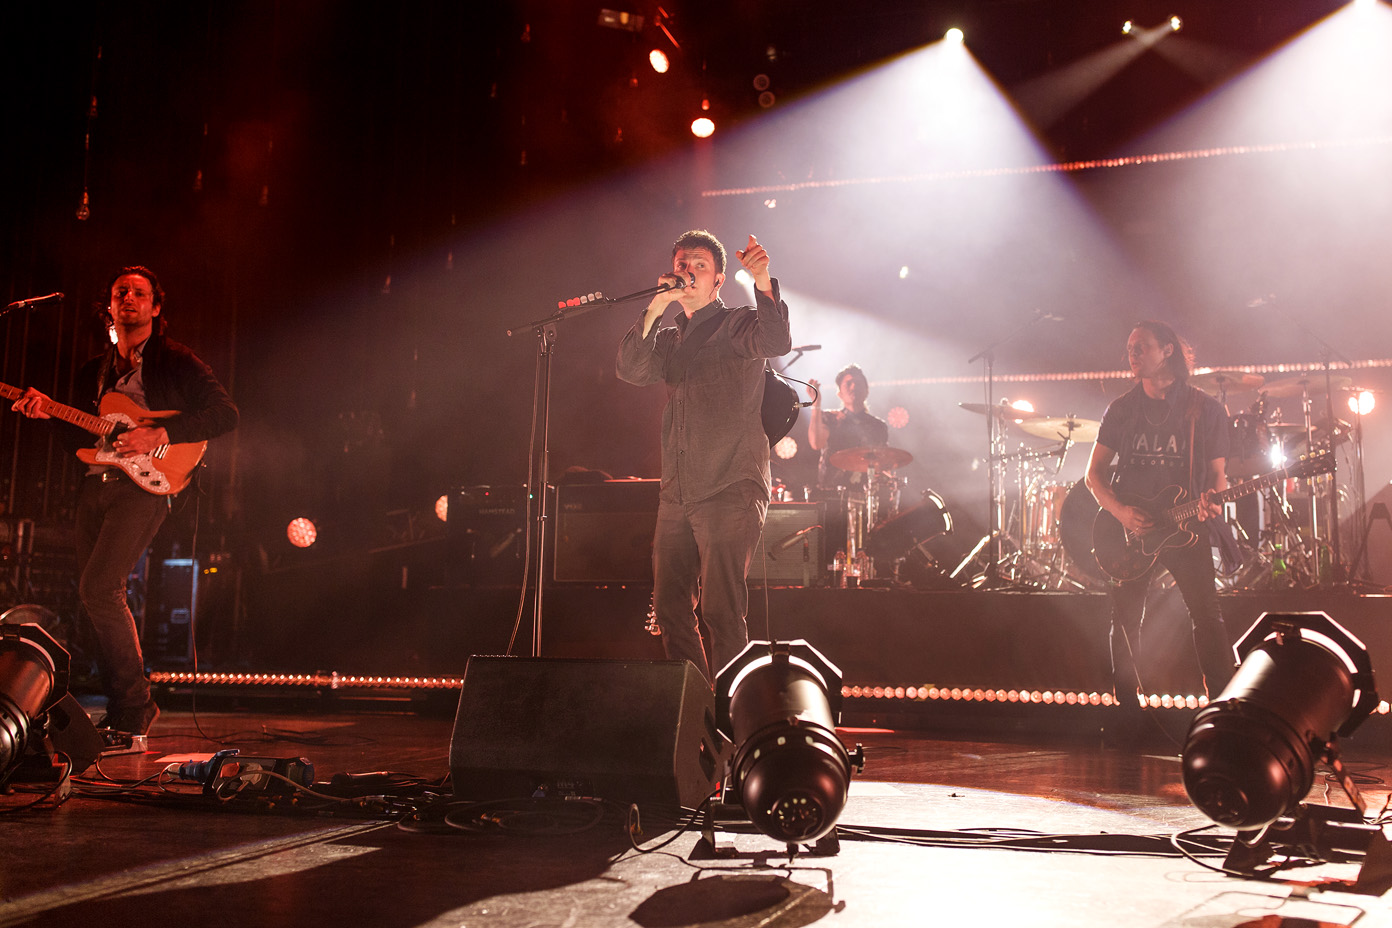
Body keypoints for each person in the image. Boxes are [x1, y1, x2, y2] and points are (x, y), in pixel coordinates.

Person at [11, 266, 238, 735]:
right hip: (97, 483)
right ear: (109, 308)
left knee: (99, 588)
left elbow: (225, 413)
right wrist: (45, 412)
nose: (129, 298)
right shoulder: (92, 371)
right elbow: (76, 436)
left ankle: (135, 705)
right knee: (91, 595)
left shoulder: (175, 360)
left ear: (156, 306)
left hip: (145, 485)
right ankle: (120, 706)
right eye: (120, 293)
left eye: (139, 292)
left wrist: (163, 431)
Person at [616, 230, 792, 682]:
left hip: (730, 483)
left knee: (722, 611)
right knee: (670, 609)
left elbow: (775, 341)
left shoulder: (736, 325)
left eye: (698, 264)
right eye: (680, 263)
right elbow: (631, 369)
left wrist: (763, 279)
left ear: (717, 279)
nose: (686, 271)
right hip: (678, 492)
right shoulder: (672, 338)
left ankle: (735, 717)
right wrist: (654, 309)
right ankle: (703, 716)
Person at [1084, 321, 1234, 739]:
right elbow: (1093, 475)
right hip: (1132, 529)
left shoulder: (1205, 409)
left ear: (1167, 350)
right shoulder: (1122, 409)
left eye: (1141, 347)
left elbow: (1219, 477)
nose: (1132, 355)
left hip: (1185, 525)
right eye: (1129, 348)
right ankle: (1126, 714)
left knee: (1207, 616)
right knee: (1125, 618)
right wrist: (1121, 513)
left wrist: (1211, 502)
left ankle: (1221, 714)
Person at [807, 363, 889, 489]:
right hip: (831, 494)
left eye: (858, 383)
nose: (854, 386)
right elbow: (816, 443)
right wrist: (816, 404)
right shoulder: (830, 418)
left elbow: (884, 462)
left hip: (865, 493)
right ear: (839, 393)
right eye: (848, 383)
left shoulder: (878, 426)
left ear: (867, 391)